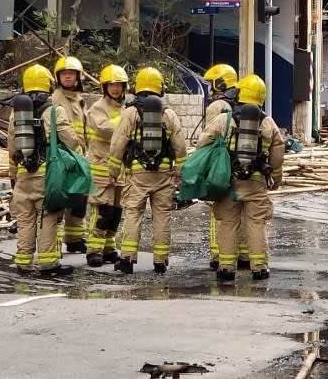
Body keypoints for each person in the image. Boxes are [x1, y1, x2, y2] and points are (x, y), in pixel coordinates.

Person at [196, 74, 284, 281]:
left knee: (227, 223)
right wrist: (276, 178)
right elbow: (278, 153)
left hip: (228, 181)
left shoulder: (224, 118)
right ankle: (259, 267)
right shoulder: (267, 123)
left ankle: (226, 267)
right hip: (256, 182)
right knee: (256, 223)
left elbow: (202, 143)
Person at [109, 67, 187, 274]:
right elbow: (180, 146)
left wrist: (113, 172)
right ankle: (160, 261)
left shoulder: (130, 113)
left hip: (137, 174)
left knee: (133, 214)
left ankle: (127, 260)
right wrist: (180, 173)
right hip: (163, 175)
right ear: (159, 88)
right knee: (162, 217)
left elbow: (117, 145)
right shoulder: (168, 114)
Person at [7, 64, 79, 276]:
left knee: (25, 218)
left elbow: (12, 148)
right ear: (48, 85)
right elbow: (72, 141)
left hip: (23, 173)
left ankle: (23, 262)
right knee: (48, 216)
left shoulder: (16, 115)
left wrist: (14, 175)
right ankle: (48, 264)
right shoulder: (55, 111)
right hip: (47, 174)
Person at [202, 63, 247, 270]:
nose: (211, 88)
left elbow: (210, 138)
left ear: (220, 83)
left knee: (219, 212)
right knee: (243, 211)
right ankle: (244, 254)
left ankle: (218, 254)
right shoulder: (245, 103)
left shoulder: (216, 107)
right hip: (243, 166)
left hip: (222, 166)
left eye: (212, 83)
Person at [85, 64, 128, 267]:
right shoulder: (98, 108)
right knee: (101, 210)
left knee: (115, 212)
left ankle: (109, 248)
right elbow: (104, 129)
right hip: (101, 168)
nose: (115, 88)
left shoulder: (125, 109)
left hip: (119, 170)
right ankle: (94, 250)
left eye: (119, 84)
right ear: (104, 87)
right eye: (111, 85)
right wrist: (127, 122)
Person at [51, 55, 89, 254]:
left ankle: (75, 239)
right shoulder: (56, 99)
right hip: (63, 155)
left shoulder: (80, 100)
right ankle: (53, 244)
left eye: (71, 74)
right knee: (60, 199)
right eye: (64, 74)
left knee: (78, 199)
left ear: (78, 77)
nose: (67, 77)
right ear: (58, 77)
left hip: (79, 155)